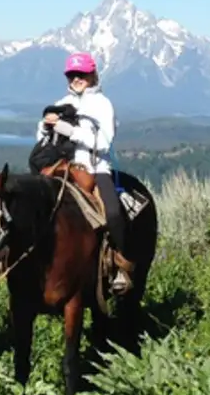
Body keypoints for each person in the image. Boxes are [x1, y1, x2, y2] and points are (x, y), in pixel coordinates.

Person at [38, 52, 136, 294]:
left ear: (92, 75)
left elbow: (104, 141)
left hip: (96, 167)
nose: (76, 79)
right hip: (64, 167)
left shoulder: (103, 104)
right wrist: (44, 127)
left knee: (112, 212)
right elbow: (42, 140)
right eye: (72, 74)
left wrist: (70, 131)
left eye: (81, 74)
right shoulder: (62, 102)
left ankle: (121, 263)